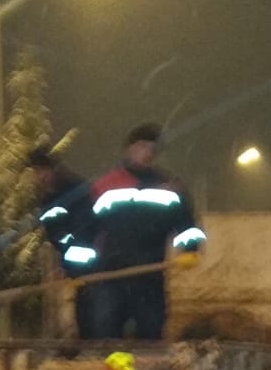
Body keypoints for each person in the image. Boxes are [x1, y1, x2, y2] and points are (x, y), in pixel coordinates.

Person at [82, 123, 205, 339]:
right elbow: (87, 228)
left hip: (150, 275)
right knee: (108, 333)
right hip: (111, 274)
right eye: (142, 147)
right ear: (130, 149)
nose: (147, 153)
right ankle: (115, 364)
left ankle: (147, 362)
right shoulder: (106, 185)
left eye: (152, 148)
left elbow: (186, 223)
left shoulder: (169, 187)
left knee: (151, 331)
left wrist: (189, 249)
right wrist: (81, 267)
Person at [27, 146, 98, 337]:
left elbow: (84, 234)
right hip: (69, 269)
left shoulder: (76, 192)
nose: (39, 177)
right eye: (36, 172)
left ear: (53, 169)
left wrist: (69, 267)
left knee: (87, 322)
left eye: (42, 171)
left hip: (87, 270)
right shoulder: (47, 199)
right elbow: (54, 233)